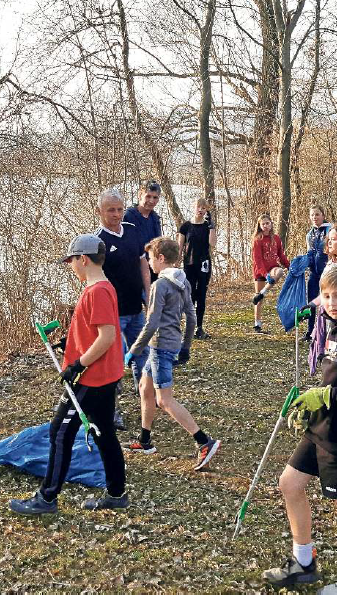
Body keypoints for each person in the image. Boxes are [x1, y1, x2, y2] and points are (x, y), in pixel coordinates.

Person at [262, 266, 337, 595]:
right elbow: (333, 377)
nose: (332, 302)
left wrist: (324, 396)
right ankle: (304, 562)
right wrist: (310, 407)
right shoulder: (334, 326)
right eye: (327, 296)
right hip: (323, 427)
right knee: (289, 483)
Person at [8, 235, 128, 515]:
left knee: (60, 433)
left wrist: (78, 365)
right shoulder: (103, 286)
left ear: (83, 259)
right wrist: (69, 344)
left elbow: (107, 336)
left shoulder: (96, 291)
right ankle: (116, 493)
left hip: (90, 379)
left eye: (71, 260)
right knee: (104, 434)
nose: (71, 265)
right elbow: (94, 330)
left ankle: (46, 499)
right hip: (104, 376)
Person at [123, 237, 221, 470]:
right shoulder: (183, 282)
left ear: (160, 258)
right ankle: (145, 440)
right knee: (145, 388)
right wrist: (185, 346)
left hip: (159, 348)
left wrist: (133, 350)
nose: (148, 263)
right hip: (171, 344)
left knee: (163, 400)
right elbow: (192, 317)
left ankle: (204, 441)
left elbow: (151, 323)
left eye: (149, 259)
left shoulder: (159, 286)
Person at [95, 188, 152, 430]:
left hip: (136, 310)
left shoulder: (131, 230)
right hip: (113, 316)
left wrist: (149, 296)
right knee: (114, 365)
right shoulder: (97, 242)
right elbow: (93, 280)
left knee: (143, 357)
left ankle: (147, 400)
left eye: (119, 209)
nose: (116, 214)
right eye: (111, 210)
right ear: (100, 212)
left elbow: (143, 265)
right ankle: (112, 410)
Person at [302, 224, 337, 374]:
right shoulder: (330, 263)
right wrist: (312, 304)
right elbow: (325, 292)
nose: (329, 242)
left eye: (333, 239)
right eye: (329, 239)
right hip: (326, 314)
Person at [178, 197, 217, 339]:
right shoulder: (185, 226)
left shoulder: (208, 226)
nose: (200, 210)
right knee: (189, 296)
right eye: (198, 207)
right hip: (189, 265)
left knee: (201, 295)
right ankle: (189, 326)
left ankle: (199, 328)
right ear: (193, 207)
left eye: (204, 208)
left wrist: (212, 227)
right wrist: (174, 264)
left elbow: (212, 244)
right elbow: (180, 247)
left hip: (204, 265)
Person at [251, 213, 289, 333]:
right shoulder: (257, 240)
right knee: (259, 300)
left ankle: (263, 292)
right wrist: (264, 274)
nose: (266, 226)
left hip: (272, 268)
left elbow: (281, 255)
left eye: (268, 223)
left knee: (279, 272)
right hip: (260, 271)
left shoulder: (276, 238)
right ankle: (257, 324)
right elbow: (258, 260)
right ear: (260, 226)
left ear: (271, 224)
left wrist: (289, 265)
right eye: (263, 224)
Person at [124, 180, 163, 282]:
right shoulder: (128, 217)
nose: (151, 201)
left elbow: (158, 244)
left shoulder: (155, 219)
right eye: (148, 196)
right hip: (134, 271)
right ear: (140, 195)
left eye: (155, 197)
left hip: (153, 271)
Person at [305, 206, 333, 341]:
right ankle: (310, 331)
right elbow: (309, 252)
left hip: (327, 272)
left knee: (326, 300)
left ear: (323, 215)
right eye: (312, 215)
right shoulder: (310, 234)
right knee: (311, 301)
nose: (314, 217)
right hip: (314, 273)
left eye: (317, 214)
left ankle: (327, 331)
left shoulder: (329, 230)